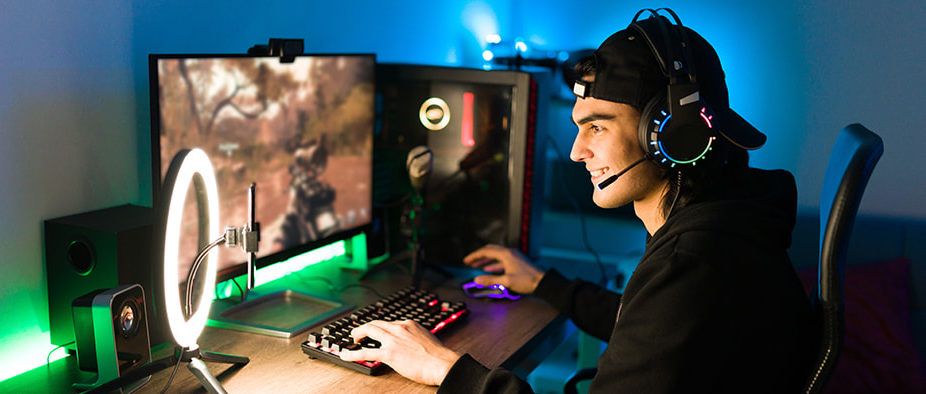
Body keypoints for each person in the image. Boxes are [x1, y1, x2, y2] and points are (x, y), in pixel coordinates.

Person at [340, 8, 816, 393]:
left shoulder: (695, 262)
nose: (576, 151)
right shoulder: (721, 226)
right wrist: (546, 283)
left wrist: (444, 369)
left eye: (597, 126)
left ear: (672, 135)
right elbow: (647, 328)